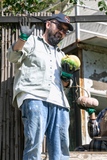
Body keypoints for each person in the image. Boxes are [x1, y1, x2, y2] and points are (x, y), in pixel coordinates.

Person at [7, 13, 76, 160]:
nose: (62, 32)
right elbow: (12, 57)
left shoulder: (62, 55)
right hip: (34, 98)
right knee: (34, 147)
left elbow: (65, 85)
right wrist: (22, 38)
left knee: (61, 153)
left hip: (60, 104)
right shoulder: (32, 42)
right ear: (48, 24)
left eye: (65, 30)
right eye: (59, 26)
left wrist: (67, 76)